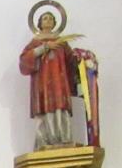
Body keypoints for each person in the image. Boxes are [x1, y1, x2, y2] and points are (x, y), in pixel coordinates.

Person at [19, 8, 81, 149]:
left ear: (55, 23)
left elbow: (71, 61)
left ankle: (64, 139)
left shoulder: (62, 42)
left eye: (51, 18)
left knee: (61, 107)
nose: (48, 20)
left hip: (59, 83)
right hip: (43, 83)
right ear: (39, 23)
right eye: (45, 18)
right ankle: (45, 140)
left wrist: (82, 59)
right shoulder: (35, 42)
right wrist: (45, 47)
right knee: (45, 109)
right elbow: (24, 61)